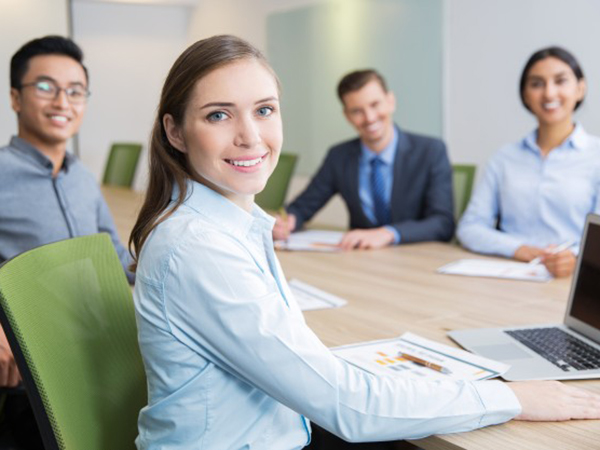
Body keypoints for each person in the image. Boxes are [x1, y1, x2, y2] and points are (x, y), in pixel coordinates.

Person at [130, 35, 600, 450]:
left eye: (265, 110)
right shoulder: (199, 248)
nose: (251, 136)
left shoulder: (230, 225)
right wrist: (512, 396)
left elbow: (444, 222)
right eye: (218, 115)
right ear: (175, 131)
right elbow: (345, 403)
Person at [0, 35, 134, 449]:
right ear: (16, 98)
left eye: (75, 91)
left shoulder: (82, 178)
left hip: (96, 352)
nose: (63, 101)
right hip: (30, 369)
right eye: (45, 87)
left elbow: (113, 257)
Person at [457, 46, 600, 278]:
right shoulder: (504, 158)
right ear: (525, 95)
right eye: (536, 84)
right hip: (511, 275)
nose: (549, 93)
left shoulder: (596, 157)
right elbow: (470, 227)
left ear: (580, 89)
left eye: (560, 81)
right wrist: (519, 249)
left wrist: (574, 257)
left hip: (575, 280)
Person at [272, 69, 454, 250]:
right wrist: (289, 220)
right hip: (360, 259)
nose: (369, 118)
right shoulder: (339, 156)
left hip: (416, 258)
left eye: (375, 105)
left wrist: (388, 233)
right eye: (357, 111)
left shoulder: (430, 151)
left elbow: (443, 223)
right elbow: (304, 205)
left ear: (391, 101)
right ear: (347, 115)